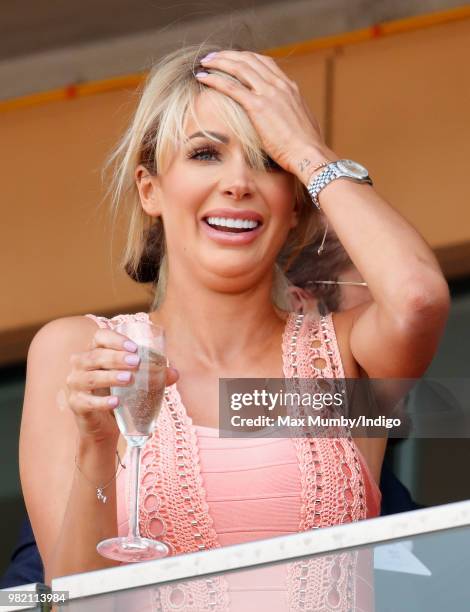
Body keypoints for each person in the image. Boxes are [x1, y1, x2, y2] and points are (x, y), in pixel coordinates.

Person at [19, 42, 449, 608]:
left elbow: (417, 298)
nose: (238, 183)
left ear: (295, 203)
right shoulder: (82, 351)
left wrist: (306, 151)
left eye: (268, 162)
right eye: (205, 154)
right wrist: (97, 448)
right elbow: (75, 601)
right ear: (151, 189)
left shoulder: (345, 359)